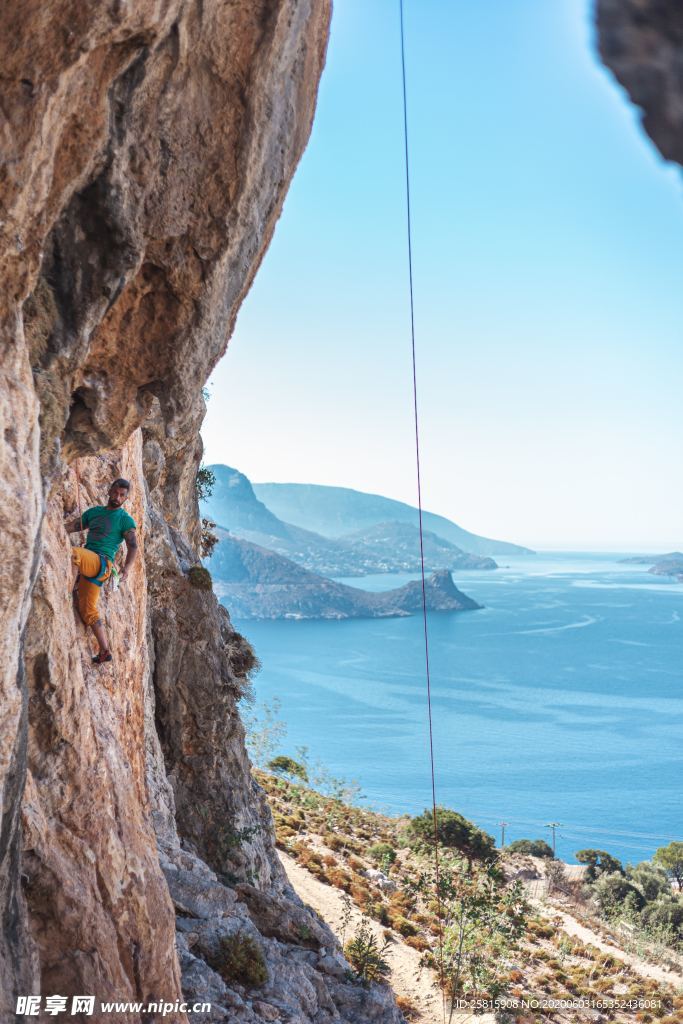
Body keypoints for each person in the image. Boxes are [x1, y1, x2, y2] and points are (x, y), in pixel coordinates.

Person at [64, 477, 138, 665]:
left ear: (126, 498)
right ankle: (105, 651)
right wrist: (55, 530)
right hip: (94, 566)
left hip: (102, 563)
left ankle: (66, 590)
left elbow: (133, 545)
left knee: (73, 553)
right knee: (87, 610)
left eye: (122, 495)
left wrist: (127, 569)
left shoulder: (125, 520)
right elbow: (73, 526)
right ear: (110, 491)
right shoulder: (95, 512)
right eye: (115, 493)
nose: (117, 497)